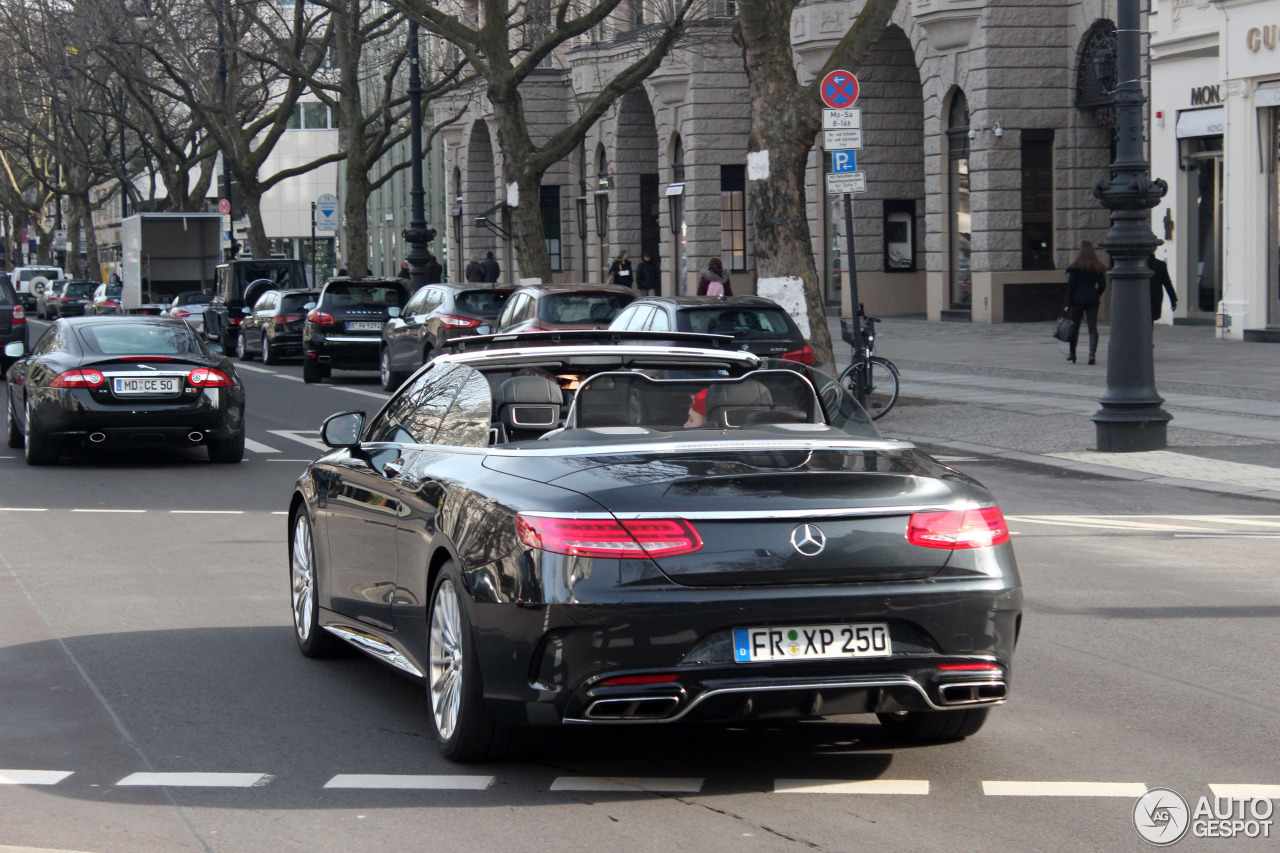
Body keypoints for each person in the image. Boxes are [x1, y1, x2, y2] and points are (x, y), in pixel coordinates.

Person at [1063, 240, 1108, 365]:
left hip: (1077, 300)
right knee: (1092, 328)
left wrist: (1067, 304)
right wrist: (1096, 294)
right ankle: (1092, 354)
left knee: (1074, 327)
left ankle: (1073, 354)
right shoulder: (1097, 267)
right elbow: (1102, 285)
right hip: (1092, 300)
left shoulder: (1075, 267)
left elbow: (1071, 287)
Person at [1149, 254, 1176, 323]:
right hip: (1154, 297)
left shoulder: (1135, 264)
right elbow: (1167, 283)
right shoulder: (1160, 265)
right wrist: (1173, 299)